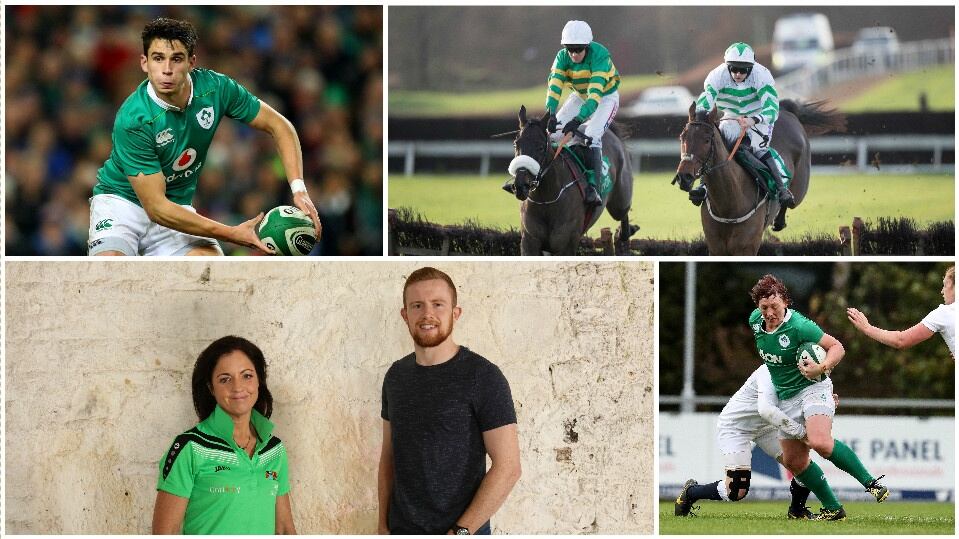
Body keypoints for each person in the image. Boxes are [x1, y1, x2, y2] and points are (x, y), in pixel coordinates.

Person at [88, 17, 321, 256]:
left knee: (211, 269)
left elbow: (279, 125)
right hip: (122, 205)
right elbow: (156, 208)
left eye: (176, 59)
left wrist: (299, 189)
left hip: (176, 207)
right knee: (110, 270)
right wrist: (231, 233)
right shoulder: (134, 119)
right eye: (158, 59)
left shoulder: (215, 89)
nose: (166, 69)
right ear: (144, 63)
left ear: (191, 62)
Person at [378, 267, 521, 534]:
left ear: (455, 313)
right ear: (405, 315)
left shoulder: (483, 376)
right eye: (417, 305)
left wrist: (460, 532)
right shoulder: (395, 377)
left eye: (438, 304)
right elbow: (388, 458)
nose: (427, 314)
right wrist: (381, 525)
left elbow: (509, 467)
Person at [749, 274, 887, 521]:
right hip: (786, 398)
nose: (769, 313)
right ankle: (834, 509)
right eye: (764, 307)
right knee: (794, 461)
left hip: (814, 388)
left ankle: (871, 483)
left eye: (775, 307)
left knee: (820, 442)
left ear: (786, 303)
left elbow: (837, 347)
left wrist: (820, 368)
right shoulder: (755, 321)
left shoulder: (800, 326)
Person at [153, 336, 296, 534]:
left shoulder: (274, 450)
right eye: (225, 379)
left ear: (259, 381)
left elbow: (284, 529)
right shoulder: (190, 447)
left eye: (247, 375)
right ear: (211, 388)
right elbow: (165, 533)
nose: (238, 387)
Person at [692, 42, 795, 213]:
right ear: (727, 66)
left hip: (759, 117)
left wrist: (754, 120)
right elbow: (706, 100)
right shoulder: (716, 76)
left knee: (756, 149)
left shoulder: (762, 75)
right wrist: (699, 116)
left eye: (743, 70)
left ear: (751, 68)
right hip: (731, 116)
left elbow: (772, 109)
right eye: (733, 69)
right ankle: (703, 186)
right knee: (717, 148)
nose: (738, 73)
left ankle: (782, 190)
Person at [544, 20, 621, 207]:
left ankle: (593, 187)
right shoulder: (562, 57)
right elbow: (554, 86)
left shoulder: (600, 55)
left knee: (591, 135)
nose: (574, 54)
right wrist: (551, 113)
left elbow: (594, 96)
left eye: (578, 49)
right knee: (551, 135)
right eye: (570, 49)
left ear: (587, 46)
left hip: (605, 98)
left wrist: (578, 120)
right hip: (579, 95)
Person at [847, 265, 955, 358]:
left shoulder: (944, 313)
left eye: (945, 285)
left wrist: (867, 328)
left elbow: (901, 341)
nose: (942, 291)